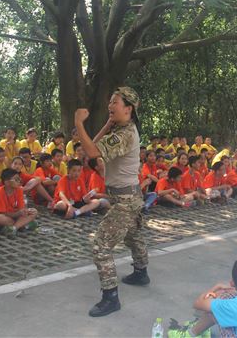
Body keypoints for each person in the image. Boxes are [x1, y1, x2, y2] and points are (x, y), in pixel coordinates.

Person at [75, 86, 149, 317]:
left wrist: (79, 124)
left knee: (101, 245)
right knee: (133, 236)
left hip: (126, 199)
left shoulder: (126, 134)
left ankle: (111, 297)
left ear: (128, 109)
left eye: (114, 102)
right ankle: (141, 272)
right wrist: (106, 124)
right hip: (128, 196)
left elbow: (93, 152)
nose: (109, 105)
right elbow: (89, 152)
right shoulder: (121, 129)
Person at [0, 168, 38, 237]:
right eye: (16, 179)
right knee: (3, 219)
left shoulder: (19, 190)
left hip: (13, 216)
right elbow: (3, 213)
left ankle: (13, 228)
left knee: (34, 212)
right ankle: (21, 225)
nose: (19, 181)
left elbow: (21, 208)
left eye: (19, 179)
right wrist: (18, 214)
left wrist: (25, 211)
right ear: (7, 182)